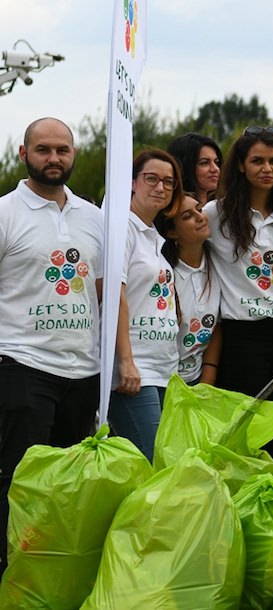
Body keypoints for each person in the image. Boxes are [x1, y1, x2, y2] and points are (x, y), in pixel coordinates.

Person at [0, 118, 103, 573]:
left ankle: (51, 575)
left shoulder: (94, 217)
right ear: (24, 153)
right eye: (43, 150)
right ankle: (9, 570)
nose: (54, 159)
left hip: (83, 370)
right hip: (23, 363)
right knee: (17, 480)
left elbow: (105, 291)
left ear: (74, 153)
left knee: (68, 487)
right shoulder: (5, 212)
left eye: (62, 150)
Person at [204, 126, 273, 459]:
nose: (267, 169)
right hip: (243, 337)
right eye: (257, 161)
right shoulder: (216, 215)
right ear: (242, 166)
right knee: (246, 432)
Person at [110, 149, 184, 461]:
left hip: (162, 367)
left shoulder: (153, 234)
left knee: (159, 466)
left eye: (168, 182)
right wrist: (125, 361)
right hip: (134, 370)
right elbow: (116, 294)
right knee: (152, 464)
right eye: (151, 179)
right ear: (131, 182)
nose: (160, 187)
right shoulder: (122, 227)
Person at [154, 193, 222, 386]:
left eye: (199, 210)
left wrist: (207, 378)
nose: (200, 217)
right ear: (172, 233)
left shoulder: (219, 262)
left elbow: (218, 325)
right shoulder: (162, 272)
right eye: (187, 216)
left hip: (199, 380)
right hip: (162, 380)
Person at [167, 133, 222, 205]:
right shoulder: (172, 212)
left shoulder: (223, 208)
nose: (215, 169)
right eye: (204, 163)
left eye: (216, 162)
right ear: (185, 167)